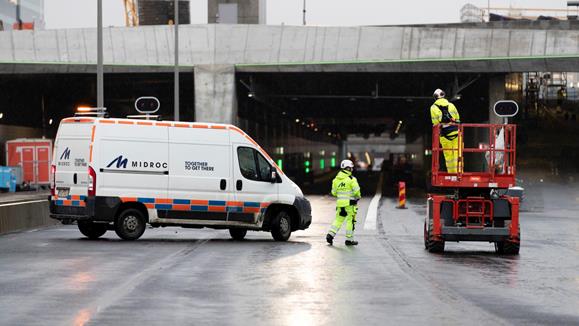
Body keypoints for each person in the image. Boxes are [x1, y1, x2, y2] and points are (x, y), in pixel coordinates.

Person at [326, 159, 361, 246]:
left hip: (340, 204)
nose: (352, 170)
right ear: (348, 168)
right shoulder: (352, 179)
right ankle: (349, 240)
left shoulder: (335, 180)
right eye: (351, 168)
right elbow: (357, 192)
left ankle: (330, 235)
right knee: (350, 221)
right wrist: (358, 197)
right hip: (350, 204)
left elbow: (333, 193)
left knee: (338, 220)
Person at [430, 89, 461, 173]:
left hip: (444, 134)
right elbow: (458, 118)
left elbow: (435, 123)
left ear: (435, 98)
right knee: (458, 153)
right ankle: (459, 172)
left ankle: (452, 173)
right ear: (444, 95)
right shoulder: (451, 105)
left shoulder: (433, 107)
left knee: (448, 155)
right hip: (456, 132)